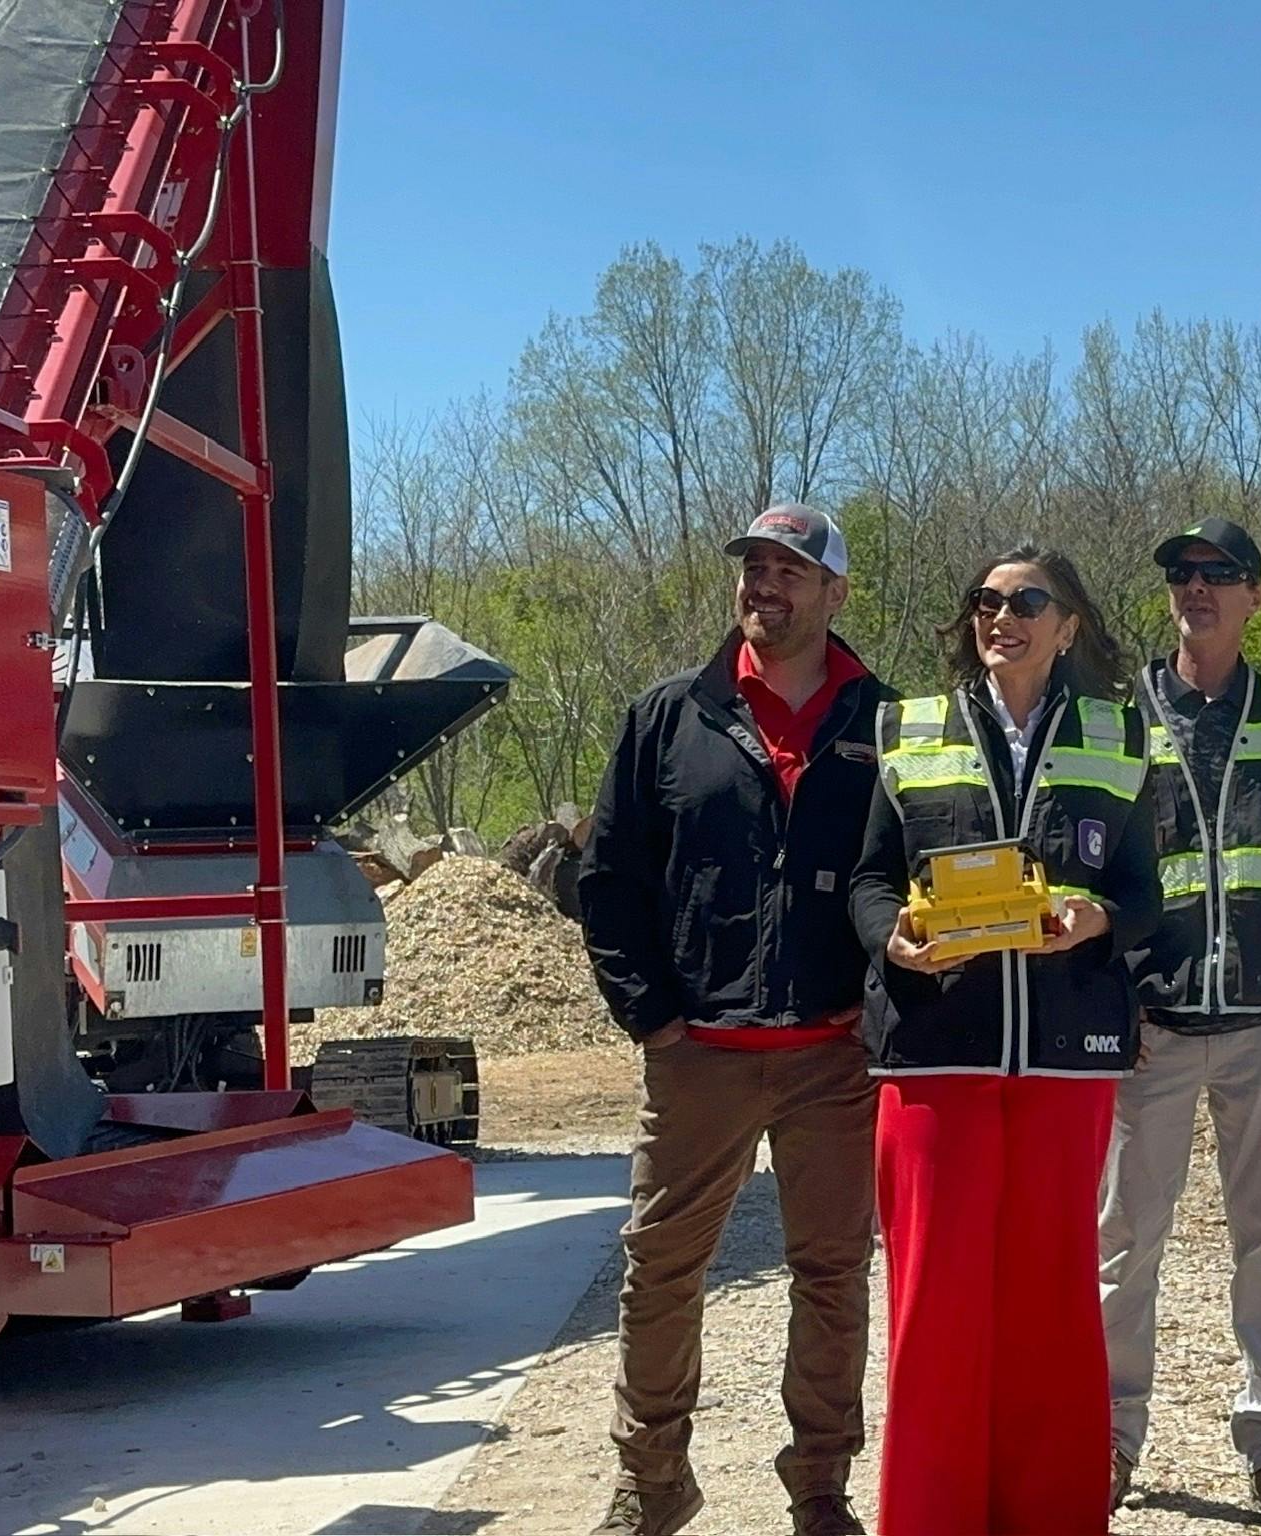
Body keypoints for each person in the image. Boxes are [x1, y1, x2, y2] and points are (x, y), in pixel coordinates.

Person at [578, 504, 886, 1536]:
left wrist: (882, 1020)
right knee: (660, 1269)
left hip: (832, 1054)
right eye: (753, 567)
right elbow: (608, 877)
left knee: (832, 1278)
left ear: (834, 594)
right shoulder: (669, 715)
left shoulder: (882, 722)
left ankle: (819, 1487)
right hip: (698, 1053)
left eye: (790, 570)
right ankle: (652, 1483)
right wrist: (651, 1017)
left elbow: (905, 883)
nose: (765, 584)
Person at [850, 545, 1159, 1536]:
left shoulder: (1118, 735)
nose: (1001, 616)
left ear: (1067, 624)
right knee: (934, 1318)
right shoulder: (908, 729)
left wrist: (1102, 918)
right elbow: (864, 881)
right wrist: (888, 936)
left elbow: (1151, 893)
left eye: (1027, 600)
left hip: (1064, 1063)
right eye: (984, 599)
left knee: (1049, 1315)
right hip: (935, 1060)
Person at [1100, 516, 1261, 1529]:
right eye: (1179, 573)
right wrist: (1109, 1003)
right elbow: (1086, 870)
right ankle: (1110, 1439)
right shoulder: (1119, 713)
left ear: (1256, 595)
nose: (1195, 588)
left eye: (1218, 574)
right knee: (1123, 1243)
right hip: (1150, 1024)